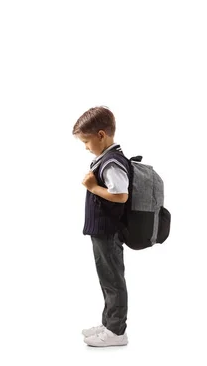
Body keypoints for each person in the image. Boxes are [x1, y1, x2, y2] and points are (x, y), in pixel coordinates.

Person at [73, 106, 130, 347]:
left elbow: (121, 195)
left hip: (108, 231)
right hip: (102, 231)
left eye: (86, 141)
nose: (86, 147)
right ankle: (109, 324)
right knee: (107, 278)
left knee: (113, 280)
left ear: (101, 135)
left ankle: (116, 331)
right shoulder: (106, 159)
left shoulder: (111, 162)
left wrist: (93, 187)